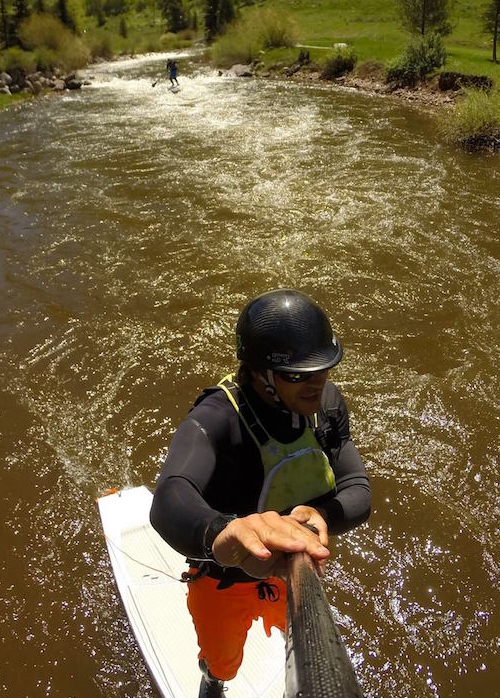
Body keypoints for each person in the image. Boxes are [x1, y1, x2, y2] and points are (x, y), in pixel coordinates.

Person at [150, 289, 372, 698]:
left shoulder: (328, 407)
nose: (315, 384)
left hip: (292, 569)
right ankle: (213, 679)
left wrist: (323, 515)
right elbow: (169, 498)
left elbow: (357, 489)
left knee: (297, 647)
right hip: (223, 576)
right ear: (257, 373)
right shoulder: (217, 418)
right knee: (222, 659)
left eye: (323, 369)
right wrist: (225, 531)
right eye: (297, 374)